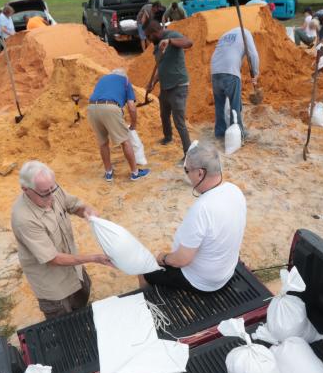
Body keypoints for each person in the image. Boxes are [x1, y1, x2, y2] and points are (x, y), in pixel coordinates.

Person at [11, 160, 112, 319]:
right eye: (45, 192)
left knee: (82, 299)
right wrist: (95, 258)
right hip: (53, 285)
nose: (51, 196)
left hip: (74, 269)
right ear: (25, 189)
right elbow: (53, 259)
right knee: (63, 321)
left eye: (53, 188)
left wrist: (86, 210)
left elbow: (73, 206)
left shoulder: (50, 188)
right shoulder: (23, 219)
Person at [141, 141, 247, 292]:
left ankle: (148, 304)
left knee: (144, 271)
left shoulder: (202, 209)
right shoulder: (235, 190)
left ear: (200, 173)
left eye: (186, 170)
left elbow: (181, 260)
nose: (187, 175)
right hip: (225, 270)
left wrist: (162, 258)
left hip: (202, 281)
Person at [88, 68, 149, 182]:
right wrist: (133, 124)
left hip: (92, 108)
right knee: (125, 141)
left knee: (103, 143)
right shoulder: (125, 81)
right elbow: (131, 107)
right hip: (110, 107)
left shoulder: (103, 79)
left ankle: (108, 173)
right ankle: (135, 173)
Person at [145, 19, 193, 157]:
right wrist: (153, 82)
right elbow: (161, 67)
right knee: (164, 115)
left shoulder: (173, 35)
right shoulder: (156, 45)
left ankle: (188, 153)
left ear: (154, 32)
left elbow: (189, 43)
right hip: (165, 87)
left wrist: (171, 41)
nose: (148, 39)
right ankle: (168, 137)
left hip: (178, 86)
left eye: (148, 36)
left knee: (179, 122)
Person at [210, 25, 259, 141]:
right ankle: (237, 133)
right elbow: (253, 55)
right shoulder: (245, 33)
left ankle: (220, 133)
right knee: (235, 105)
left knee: (219, 105)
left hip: (215, 70)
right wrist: (256, 73)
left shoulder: (225, 35)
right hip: (230, 71)